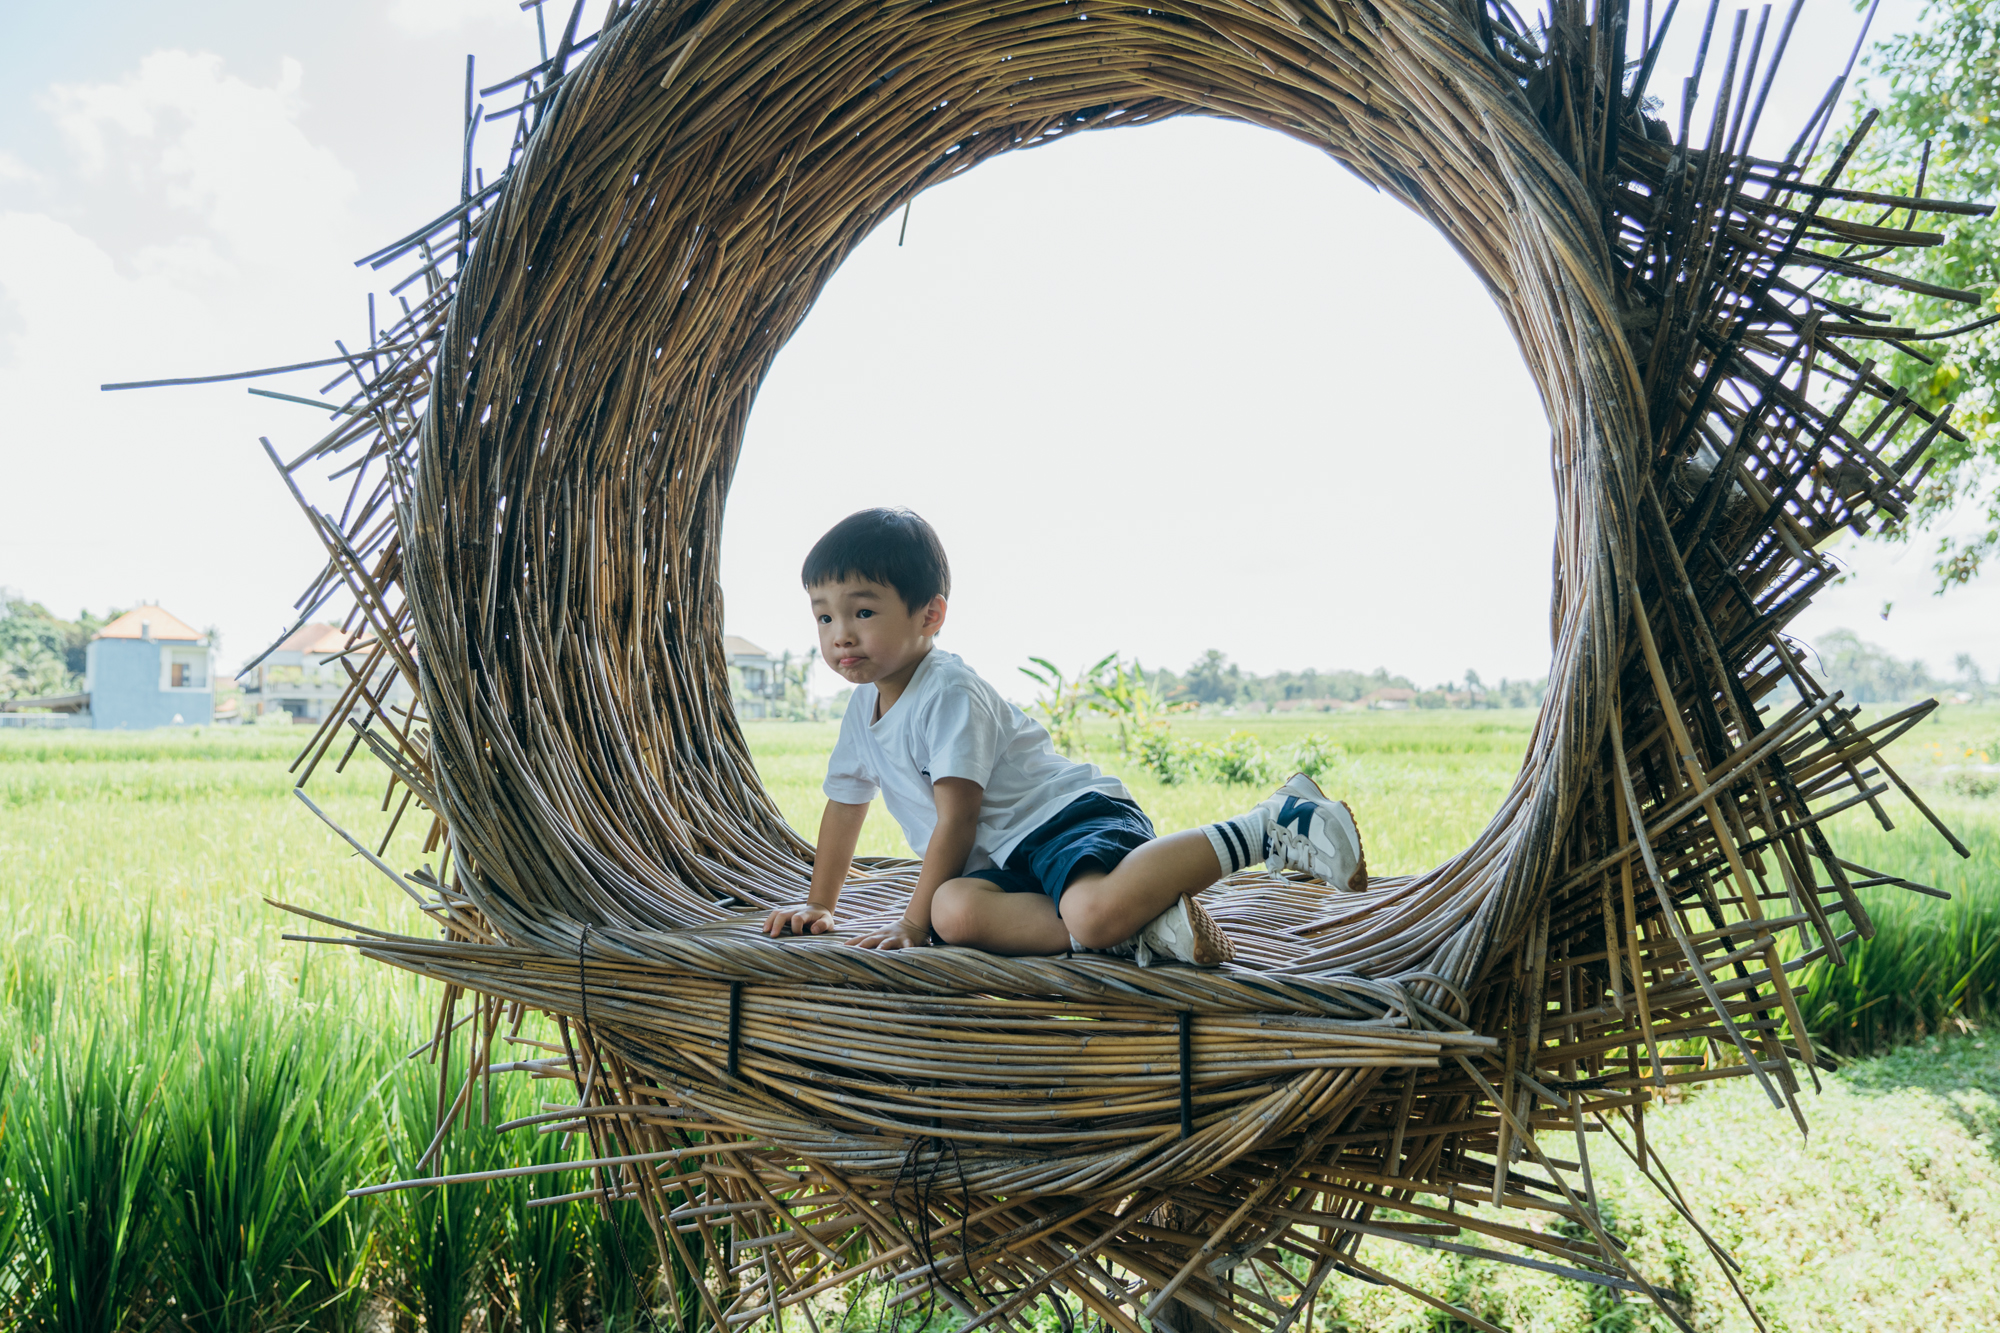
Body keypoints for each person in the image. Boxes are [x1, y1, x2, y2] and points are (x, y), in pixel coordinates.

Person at [761, 507, 1367, 964]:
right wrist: (822, 904)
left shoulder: (946, 692)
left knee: (1067, 910)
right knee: (955, 909)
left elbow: (957, 821)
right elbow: (845, 808)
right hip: (1008, 859)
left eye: (862, 612)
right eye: (823, 615)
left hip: (1064, 820)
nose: (840, 633)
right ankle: (1141, 929)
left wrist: (911, 926)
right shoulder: (861, 708)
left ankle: (1272, 822)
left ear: (930, 616)